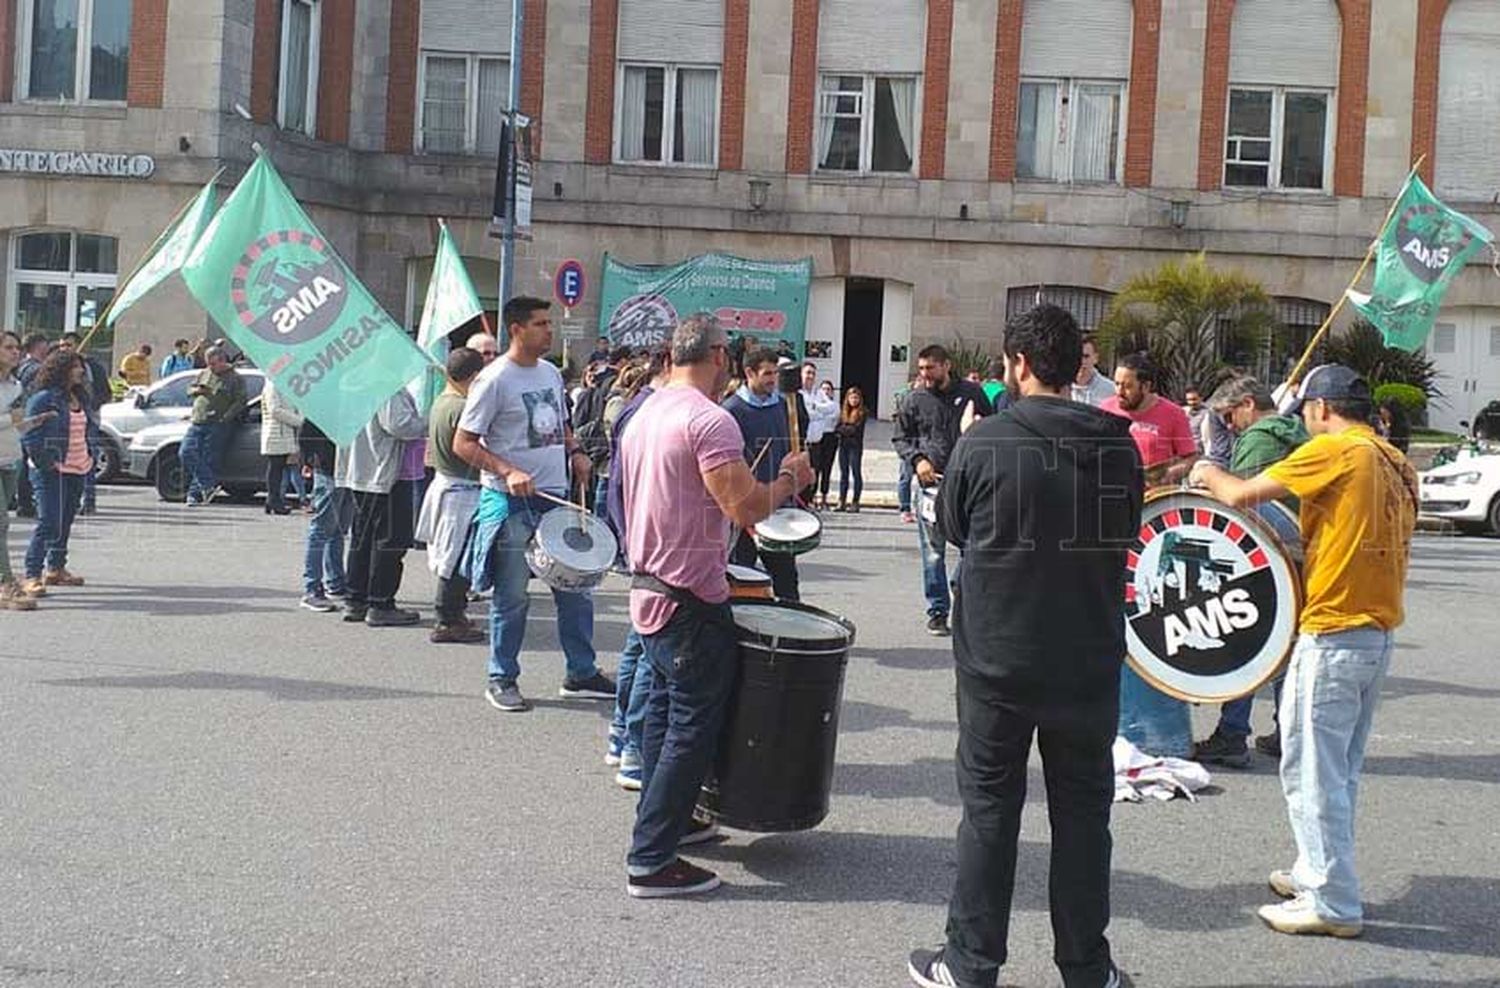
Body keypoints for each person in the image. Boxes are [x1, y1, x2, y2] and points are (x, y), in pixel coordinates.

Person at [907, 304, 1142, 988]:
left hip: (997, 660)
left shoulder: (986, 442)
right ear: (1075, 369)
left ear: (1018, 365)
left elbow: (950, 527)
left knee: (988, 811)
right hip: (1088, 657)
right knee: (1082, 817)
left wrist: (976, 442)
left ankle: (971, 964)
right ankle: (1086, 969)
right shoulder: (1117, 444)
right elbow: (1125, 531)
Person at [1189, 364, 1416, 939]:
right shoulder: (1395, 461)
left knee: (1311, 769)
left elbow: (1241, 493)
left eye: (1308, 415)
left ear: (1320, 409)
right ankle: (1317, 869)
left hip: (1335, 630)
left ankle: (1333, 900)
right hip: (1375, 631)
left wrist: (1207, 470)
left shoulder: (1340, 450)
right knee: (1338, 770)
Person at [619, 312, 814, 898]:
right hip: (688, 597)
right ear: (720, 358)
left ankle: (668, 825)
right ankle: (651, 859)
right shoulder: (709, 420)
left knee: (660, 716)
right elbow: (746, 509)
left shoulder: (645, 411)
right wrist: (784, 479)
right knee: (690, 728)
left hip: (647, 584)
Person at [454, 295, 617, 713]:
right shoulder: (493, 380)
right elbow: (464, 442)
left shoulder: (548, 373)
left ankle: (581, 672)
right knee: (513, 596)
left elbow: (559, 424)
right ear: (516, 329)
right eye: (542, 324)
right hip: (509, 504)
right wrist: (507, 470)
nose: (550, 331)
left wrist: (577, 450)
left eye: (549, 323)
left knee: (575, 590)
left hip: (555, 498)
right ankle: (501, 676)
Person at [1190, 376, 1309, 767]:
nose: (1228, 426)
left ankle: (1232, 733)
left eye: (1228, 416)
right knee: (1285, 649)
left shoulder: (1260, 438)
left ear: (1246, 405)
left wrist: (1207, 477)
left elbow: (1240, 501)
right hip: (1301, 553)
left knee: (1246, 644)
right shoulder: (1298, 431)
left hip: (1268, 555)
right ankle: (1288, 731)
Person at [604, 348, 673, 790]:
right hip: (650, 547)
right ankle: (633, 746)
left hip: (640, 543)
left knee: (637, 647)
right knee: (650, 654)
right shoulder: (648, 410)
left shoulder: (644, 406)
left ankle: (620, 735)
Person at [893, 344, 994, 636]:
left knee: (972, 547)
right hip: (930, 486)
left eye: (931, 368)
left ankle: (959, 585)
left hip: (967, 485)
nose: (925, 374)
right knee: (933, 553)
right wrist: (918, 460)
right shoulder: (914, 399)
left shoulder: (973, 394)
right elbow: (900, 438)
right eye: (921, 368)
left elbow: (989, 429)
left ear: (946, 366)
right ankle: (938, 611)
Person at [722, 347, 809, 602]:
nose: (773, 379)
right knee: (741, 578)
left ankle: (792, 635)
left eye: (776, 373)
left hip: (778, 508)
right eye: (767, 374)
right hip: (744, 511)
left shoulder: (784, 406)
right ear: (749, 373)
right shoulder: (731, 411)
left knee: (786, 581)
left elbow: (792, 451)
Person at [336, 388, 427, 626]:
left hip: (361, 469)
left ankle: (356, 599)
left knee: (362, 538)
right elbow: (399, 425)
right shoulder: (387, 387)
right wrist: (426, 422)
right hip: (384, 471)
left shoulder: (352, 384)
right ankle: (380, 603)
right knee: (389, 540)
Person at [417, 347, 487, 644]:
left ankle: (453, 614)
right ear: (472, 376)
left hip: (449, 484)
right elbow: (472, 448)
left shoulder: (442, 402)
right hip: (461, 488)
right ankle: (448, 618)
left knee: (452, 555)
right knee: (457, 559)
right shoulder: (462, 407)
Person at [19, 350, 98, 595]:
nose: (80, 371)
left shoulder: (79, 397)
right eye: (75, 366)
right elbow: (29, 434)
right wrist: (45, 462)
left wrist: (90, 455)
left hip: (78, 467)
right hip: (51, 470)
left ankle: (56, 568)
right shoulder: (44, 398)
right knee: (49, 521)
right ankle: (32, 574)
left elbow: (88, 429)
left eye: (81, 366)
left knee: (64, 521)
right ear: (61, 369)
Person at [0, 331, 55, 610]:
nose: (15, 352)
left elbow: (16, 426)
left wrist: (35, 421)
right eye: (8, 347)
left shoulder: (16, 385)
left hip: (11, 459)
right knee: (1, 523)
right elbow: (8, 419)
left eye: (17, 347)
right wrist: (13, 418)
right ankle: (5, 582)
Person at [1102, 352, 1197, 486]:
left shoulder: (1174, 414)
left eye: (1128, 386)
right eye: (1117, 384)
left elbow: (1190, 458)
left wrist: (1169, 474)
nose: (1119, 392)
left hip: (1155, 497)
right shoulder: (1105, 409)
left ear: (1146, 387)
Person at [179, 347, 247, 506]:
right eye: (208, 364)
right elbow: (189, 390)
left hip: (218, 424)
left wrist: (226, 417)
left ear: (223, 361)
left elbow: (240, 401)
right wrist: (198, 390)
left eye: (214, 364)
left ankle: (194, 495)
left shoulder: (235, 378)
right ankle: (208, 485)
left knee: (209, 459)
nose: (211, 367)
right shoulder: (204, 373)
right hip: (198, 421)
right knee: (185, 452)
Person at [297, 418, 352, 612]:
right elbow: (305, 434)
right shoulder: (327, 402)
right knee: (321, 530)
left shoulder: (356, 401)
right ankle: (312, 589)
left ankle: (335, 583)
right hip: (328, 468)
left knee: (338, 530)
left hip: (350, 470)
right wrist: (308, 461)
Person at [58, 332, 109, 514]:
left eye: (69, 345)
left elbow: (105, 392)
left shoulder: (93, 367)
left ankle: (89, 500)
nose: (64, 349)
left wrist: (90, 405)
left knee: (88, 459)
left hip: (89, 420)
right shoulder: (58, 368)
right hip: (67, 420)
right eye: (62, 346)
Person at [260, 380, 303, 516]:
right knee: (276, 467)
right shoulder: (273, 385)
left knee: (280, 467)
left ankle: (272, 500)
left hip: (284, 432)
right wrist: (298, 420)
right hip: (276, 433)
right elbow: (274, 410)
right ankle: (274, 501)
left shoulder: (285, 385)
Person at [798, 364, 839, 509]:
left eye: (813, 374)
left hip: (816, 442)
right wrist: (818, 412)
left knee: (813, 474)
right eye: (807, 373)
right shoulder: (798, 393)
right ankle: (800, 502)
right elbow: (805, 413)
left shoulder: (819, 393)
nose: (810, 376)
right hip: (801, 442)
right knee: (801, 475)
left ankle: (809, 501)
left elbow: (833, 408)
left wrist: (816, 407)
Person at [834, 385, 867, 512]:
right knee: (844, 474)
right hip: (843, 446)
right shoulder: (843, 413)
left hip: (855, 447)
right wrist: (845, 429)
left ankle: (855, 502)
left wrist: (844, 429)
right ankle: (841, 501)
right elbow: (837, 428)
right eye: (851, 397)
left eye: (856, 397)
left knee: (856, 473)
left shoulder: (862, 412)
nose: (853, 400)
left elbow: (856, 430)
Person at [1071, 337, 1117, 407]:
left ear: (1096, 358)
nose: (1081, 361)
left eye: (1086, 356)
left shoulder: (1111, 390)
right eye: (1076, 356)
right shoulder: (1061, 390)